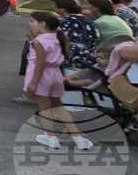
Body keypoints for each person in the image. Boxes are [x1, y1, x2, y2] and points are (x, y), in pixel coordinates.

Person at [22, 11, 94, 151]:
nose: (30, 23)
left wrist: (34, 82)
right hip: (56, 74)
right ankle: (78, 138)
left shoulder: (38, 42)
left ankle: (50, 137)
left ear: (42, 24)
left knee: (44, 107)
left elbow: (40, 63)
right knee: (59, 107)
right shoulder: (58, 37)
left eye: (33, 21)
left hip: (42, 75)